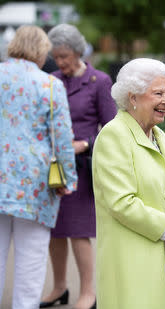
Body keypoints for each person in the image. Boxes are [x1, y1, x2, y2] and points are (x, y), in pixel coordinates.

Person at [92, 58, 165, 309]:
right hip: (130, 262)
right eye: (158, 93)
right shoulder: (114, 135)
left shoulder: (159, 136)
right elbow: (121, 202)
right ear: (132, 97)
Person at [0, 25, 77, 309]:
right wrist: (68, 180)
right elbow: (63, 138)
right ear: (41, 51)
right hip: (35, 185)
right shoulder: (49, 85)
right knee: (31, 261)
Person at [40, 24, 116, 309]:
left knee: (78, 231)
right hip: (53, 168)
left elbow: (111, 129)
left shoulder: (100, 81)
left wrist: (85, 143)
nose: (60, 63)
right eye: (56, 57)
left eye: (65, 56)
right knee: (54, 230)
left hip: (82, 169)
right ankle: (59, 288)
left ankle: (88, 293)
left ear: (78, 52)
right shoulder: (50, 80)